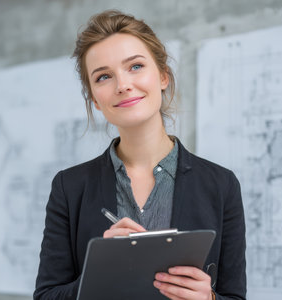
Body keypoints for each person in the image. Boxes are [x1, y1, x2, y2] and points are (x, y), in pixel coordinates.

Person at [34, 10, 246, 300]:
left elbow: (234, 295)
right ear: (95, 99)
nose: (122, 85)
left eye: (135, 66)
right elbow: (46, 296)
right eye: (104, 76)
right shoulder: (69, 188)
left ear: (162, 75)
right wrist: (100, 273)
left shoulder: (221, 185)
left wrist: (209, 299)